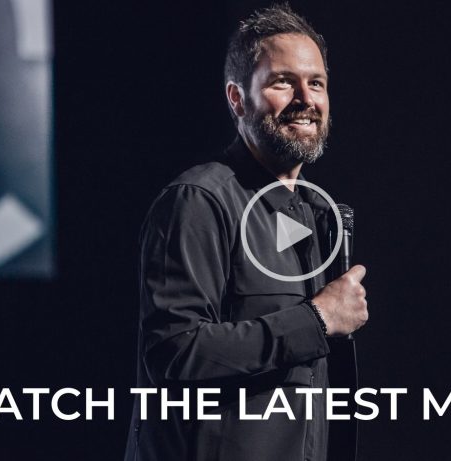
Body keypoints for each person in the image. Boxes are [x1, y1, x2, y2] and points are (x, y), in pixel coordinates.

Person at [124, 4, 368, 461]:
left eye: (316, 83)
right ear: (237, 99)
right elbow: (175, 352)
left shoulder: (314, 213)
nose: (305, 98)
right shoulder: (198, 201)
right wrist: (316, 320)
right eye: (283, 82)